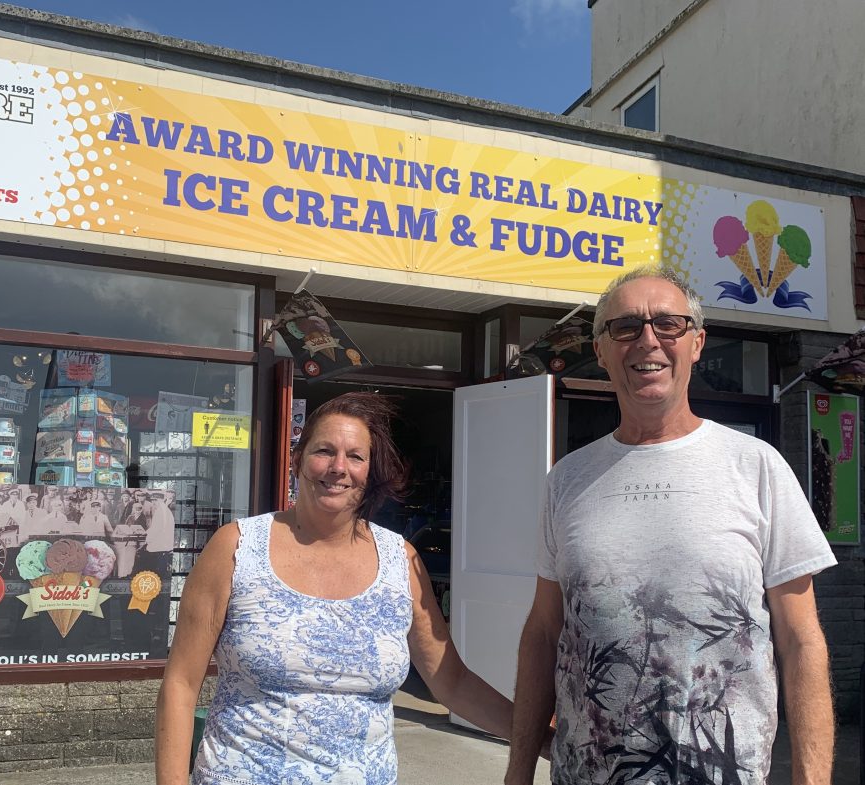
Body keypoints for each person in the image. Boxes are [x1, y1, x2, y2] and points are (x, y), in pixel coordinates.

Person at [505, 266, 837, 785]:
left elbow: (801, 640)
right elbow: (545, 634)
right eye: (626, 327)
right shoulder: (567, 479)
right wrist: (517, 771)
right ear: (602, 349)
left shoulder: (756, 466)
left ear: (698, 343)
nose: (648, 340)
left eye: (669, 324)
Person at [157, 392, 517, 785]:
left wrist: (541, 737)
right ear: (297, 460)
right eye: (324, 451)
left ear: (370, 471)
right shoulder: (237, 547)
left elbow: (453, 682)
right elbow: (181, 683)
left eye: (356, 457)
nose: (338, 468)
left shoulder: (400, 561)